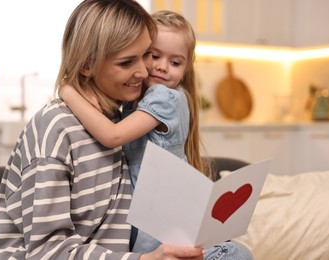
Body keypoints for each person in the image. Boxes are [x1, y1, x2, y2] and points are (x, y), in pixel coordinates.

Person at [0, 0, 204, 259]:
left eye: (145, 55)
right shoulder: (57, 128)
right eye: (127, 62)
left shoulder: (122, 121)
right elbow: (46, 253)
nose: (145, 71)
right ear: (86, 65)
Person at [58, 7, 253, 260]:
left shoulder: (165, 98)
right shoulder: (136, 99)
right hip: (148, 208)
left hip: (160, 204)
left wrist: (68, 91)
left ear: (186, 68)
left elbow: (113, 136)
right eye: (153, 55)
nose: (161, 67)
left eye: (175, 62)